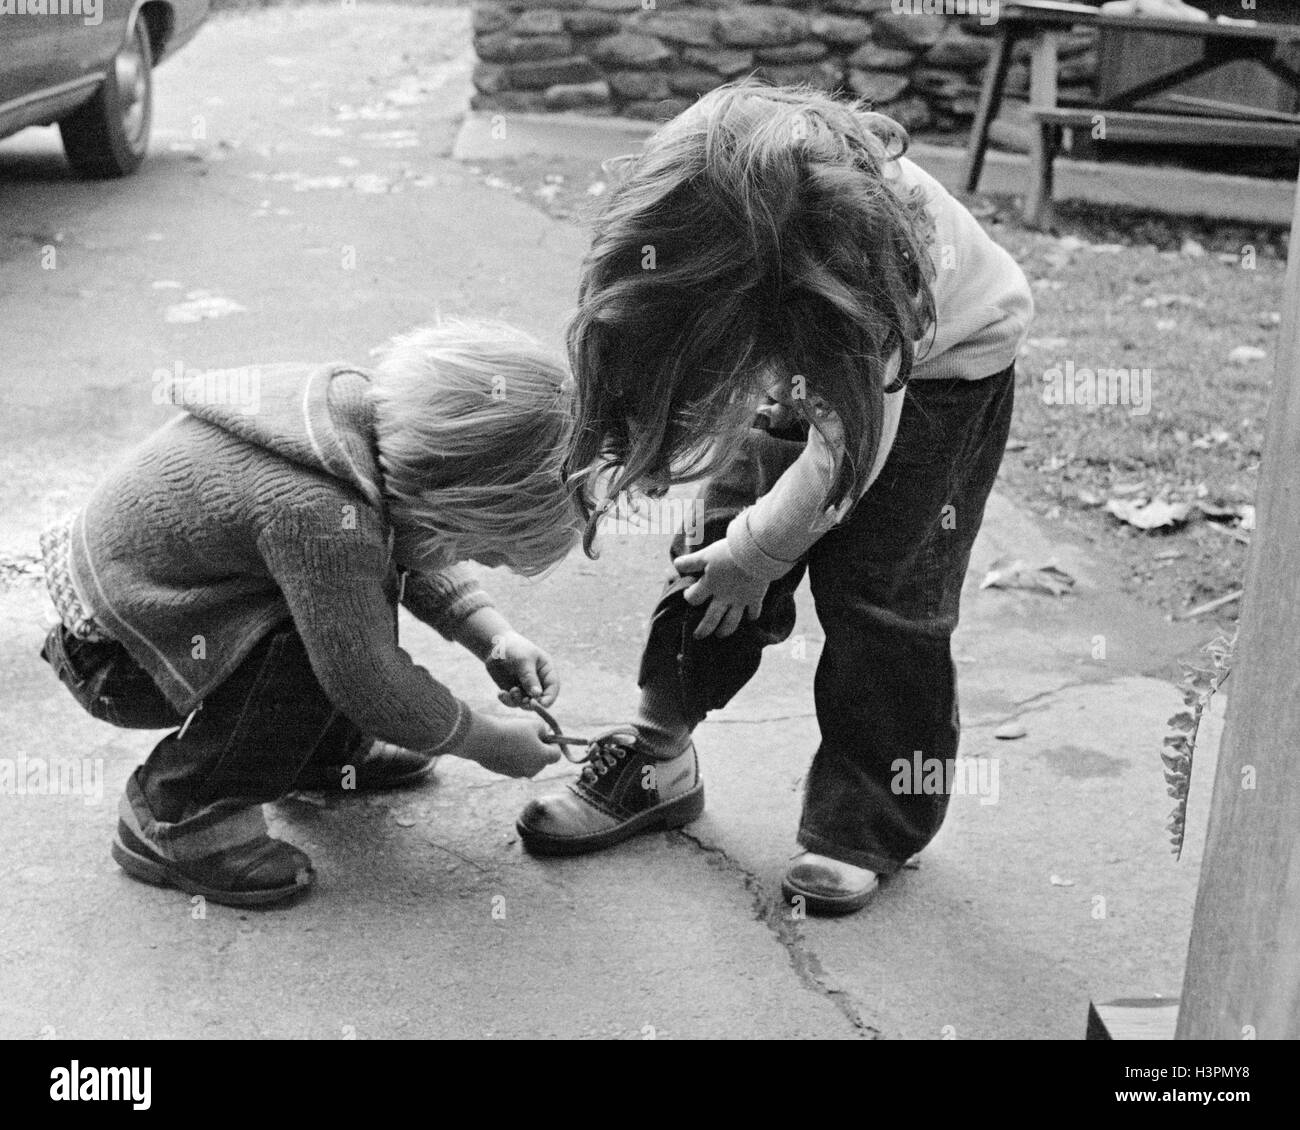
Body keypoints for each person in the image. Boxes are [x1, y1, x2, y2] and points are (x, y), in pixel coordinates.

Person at [517, 83, 1033, 915]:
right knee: (713, 546)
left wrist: (763, 554)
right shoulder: (699, 183)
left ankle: (866, 823)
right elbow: (651, 322)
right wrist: (712, 513)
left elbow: (845, 454)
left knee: (881, 594)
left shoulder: (868, 266)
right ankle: (658, 754)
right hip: (805, 330)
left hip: (940, 372)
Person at [40, 321, 578, 906]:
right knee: (327, 642)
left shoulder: (365, 429)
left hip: (150, 612)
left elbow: (412, 543)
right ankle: (178, 814)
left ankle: (319, 754)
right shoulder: (321, 514)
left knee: (343, 603)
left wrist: (493, 637)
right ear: (438, 495)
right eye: (472, 548)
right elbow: (365, 678)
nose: (470, 561)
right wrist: (486, 740)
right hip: (120, 661)